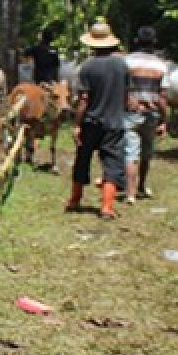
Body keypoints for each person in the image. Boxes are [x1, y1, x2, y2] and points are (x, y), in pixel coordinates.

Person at [66, 19, 129, 219]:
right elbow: (126, 95)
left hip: (91, 122)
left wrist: (77, 124)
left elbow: (84, 99)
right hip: (115, 122)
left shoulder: (87, 67)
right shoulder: (122, 66)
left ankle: (75, 199)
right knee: (112, 163)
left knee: (83, 159)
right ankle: (107, 207)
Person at [123, 26, 169, 203]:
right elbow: (163, 96)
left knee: (130, 152)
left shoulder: (127, 62)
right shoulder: (161, 65)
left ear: (136, 41)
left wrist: (127, 101)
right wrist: (164, 120)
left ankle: (130, 193)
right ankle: (142, 185)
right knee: (147, 152)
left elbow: (121, 88)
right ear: (155, 42)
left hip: (131, 112)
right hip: (152, 112)